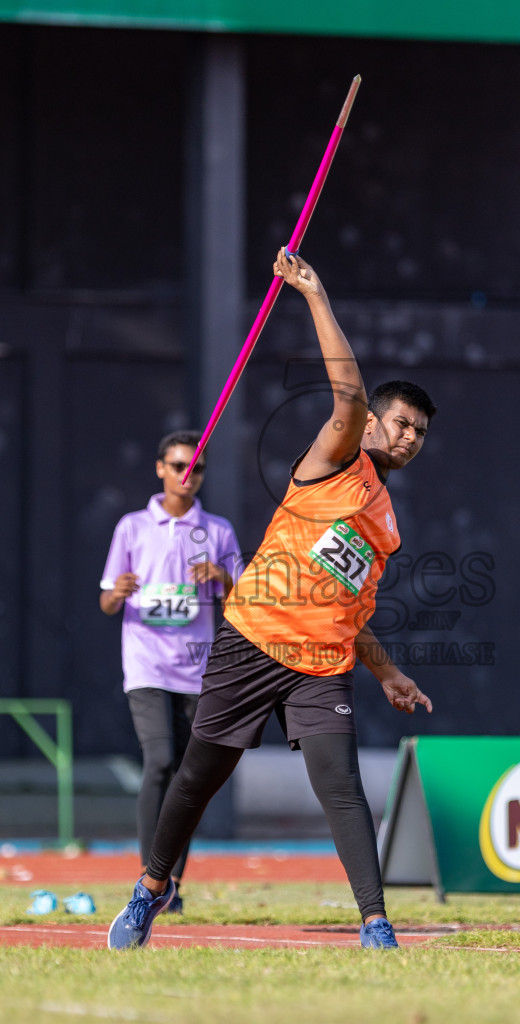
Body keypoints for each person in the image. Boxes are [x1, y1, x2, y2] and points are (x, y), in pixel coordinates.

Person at [108, 249, 436, 951]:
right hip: (252, 639)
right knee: (196, 777)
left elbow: (352, 613)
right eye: (401, 423)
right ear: (373, 426)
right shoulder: (336, 460)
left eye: (419, 432)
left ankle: (375, 924)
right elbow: (347, 394)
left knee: (340, 788)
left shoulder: (386, 522)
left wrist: (386, 672)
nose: (408, 437)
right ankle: (151, 889)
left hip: (321, 664)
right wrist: (315, 294)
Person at [100, 430, 241, 913]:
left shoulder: (217, 531)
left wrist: (222, 578)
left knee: (189, 775)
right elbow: (106, 600)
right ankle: (150, 882)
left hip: (198, 669)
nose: (188, 475)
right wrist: (118, 592)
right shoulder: (132, 527)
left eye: (196, 468)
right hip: (145, 664)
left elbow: (242, 600)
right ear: (160, 468)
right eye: (179, 465)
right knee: (159, 761)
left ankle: (171, 883)